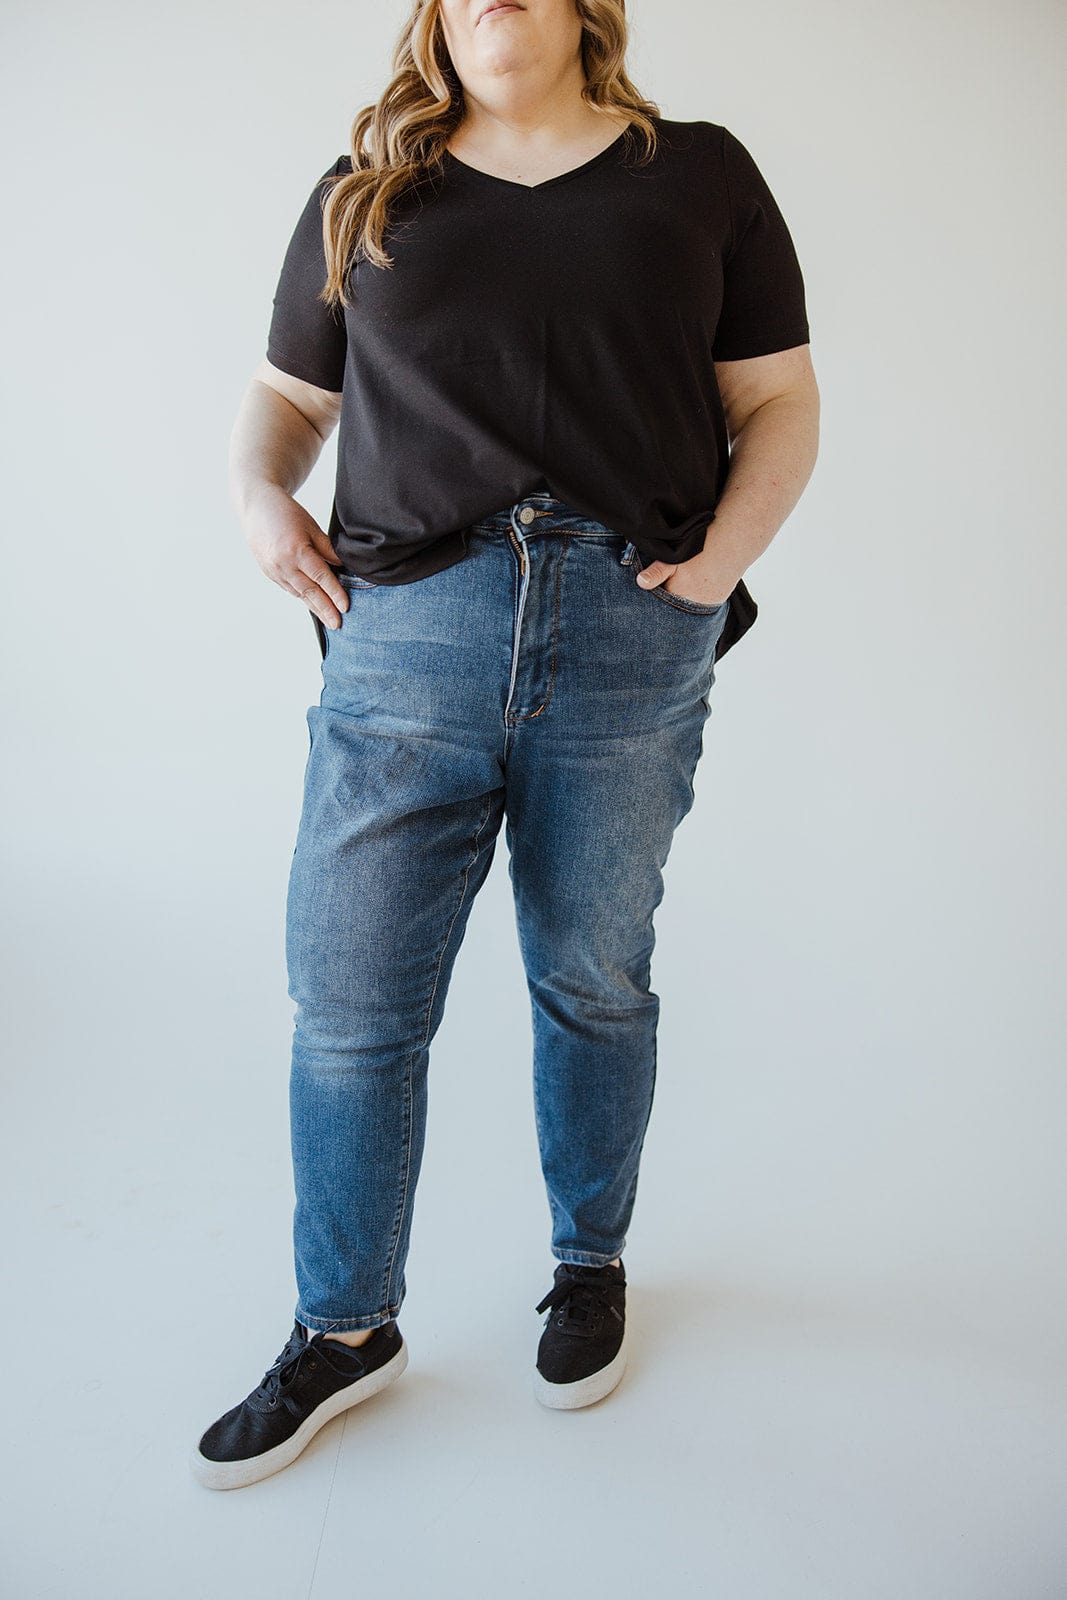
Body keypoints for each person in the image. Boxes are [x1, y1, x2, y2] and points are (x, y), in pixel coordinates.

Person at [191, 0, 820, 1492]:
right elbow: (287, 401)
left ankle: (588, 1266)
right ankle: (346, 1332)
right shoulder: (370, 191)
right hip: (403, 630)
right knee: (348, 1002)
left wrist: (716, 569)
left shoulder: (702, 175)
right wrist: (256, 497)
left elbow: (779, 400)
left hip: (626, 630)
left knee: (593, 979)